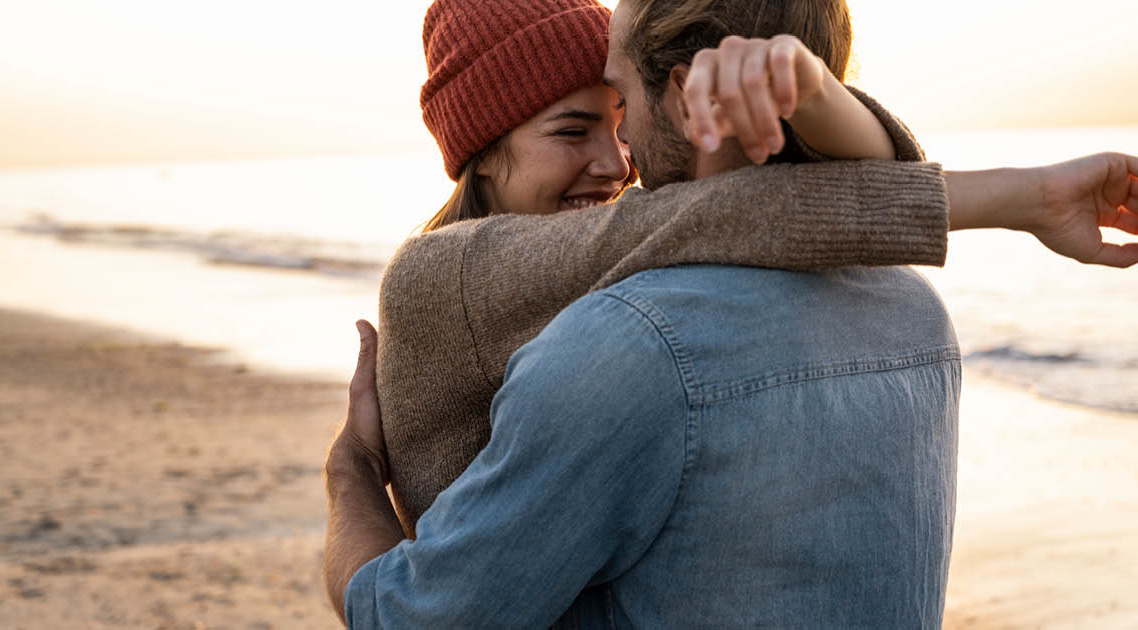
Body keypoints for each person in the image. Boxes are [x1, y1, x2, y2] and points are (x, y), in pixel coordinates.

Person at [324, 0, 1138, 626]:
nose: (618, 161)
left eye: (617, 109)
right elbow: (737, 212)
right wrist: (1012, 193)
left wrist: (350, 474)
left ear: (675, 94)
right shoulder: (913, 314)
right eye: (573, 129)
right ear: (480, 153)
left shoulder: (629, 332)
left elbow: (742, 211)